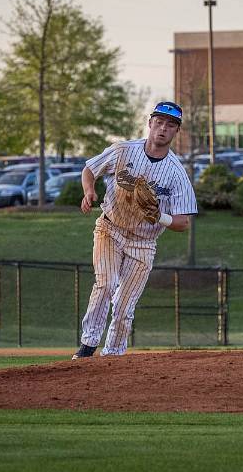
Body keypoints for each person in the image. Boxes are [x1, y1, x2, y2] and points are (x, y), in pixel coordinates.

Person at [72, 101, 196, 359]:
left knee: (125, 305)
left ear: (176, 132)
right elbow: (89, 169)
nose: (163, 128)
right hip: (110, 228)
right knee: (105, 284)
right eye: (159, 122)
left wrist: (159, 216)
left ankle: (113, 357)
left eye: (170, 125)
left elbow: (183, 222)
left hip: (144, 242)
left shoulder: (176, 173)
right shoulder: (123, 150)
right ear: (150, 123)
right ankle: (87, 347)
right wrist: (89, 190)